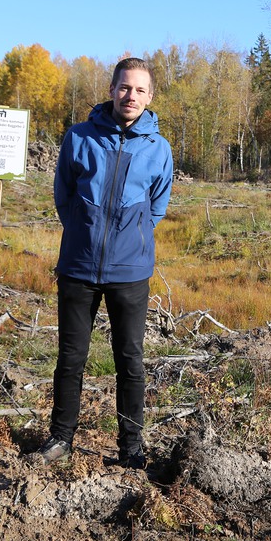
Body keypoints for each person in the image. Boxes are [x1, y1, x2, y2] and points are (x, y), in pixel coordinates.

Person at [36, 57, 173, 469]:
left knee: (130, 362)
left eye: (140, 90)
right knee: (70, 358)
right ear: (112, 89)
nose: (131, 96)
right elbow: (63, 196)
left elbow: (158, 207)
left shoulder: (158, 148)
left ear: (150, 97)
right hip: (78, 268)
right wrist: (84, 231)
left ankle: (131, 449)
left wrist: (128, 241)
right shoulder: (78, 137)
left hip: (130, 274)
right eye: (125, 87)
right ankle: (61, 439)